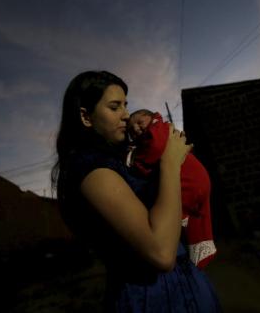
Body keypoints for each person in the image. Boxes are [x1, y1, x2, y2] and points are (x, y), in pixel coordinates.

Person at [52, 70, 222, 312]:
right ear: (86, 117)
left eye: (125, 105)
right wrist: (170, 162)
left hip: (186, 286)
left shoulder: (122, 161)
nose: (125, 115)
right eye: (114, 107)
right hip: (155, 298)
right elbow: (161, 253)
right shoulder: (93, 171)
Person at [127, 109, 216, 269]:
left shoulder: (159, 129)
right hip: (197, 182)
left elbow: (156, 150)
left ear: (152, 117)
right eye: (132, 130)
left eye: (139, 123)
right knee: (199, 225)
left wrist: (138, 161)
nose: (136, 129)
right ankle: (201, 257)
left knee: (178, 217)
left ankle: (181, 223)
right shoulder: (151, 135)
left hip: (189, 181)